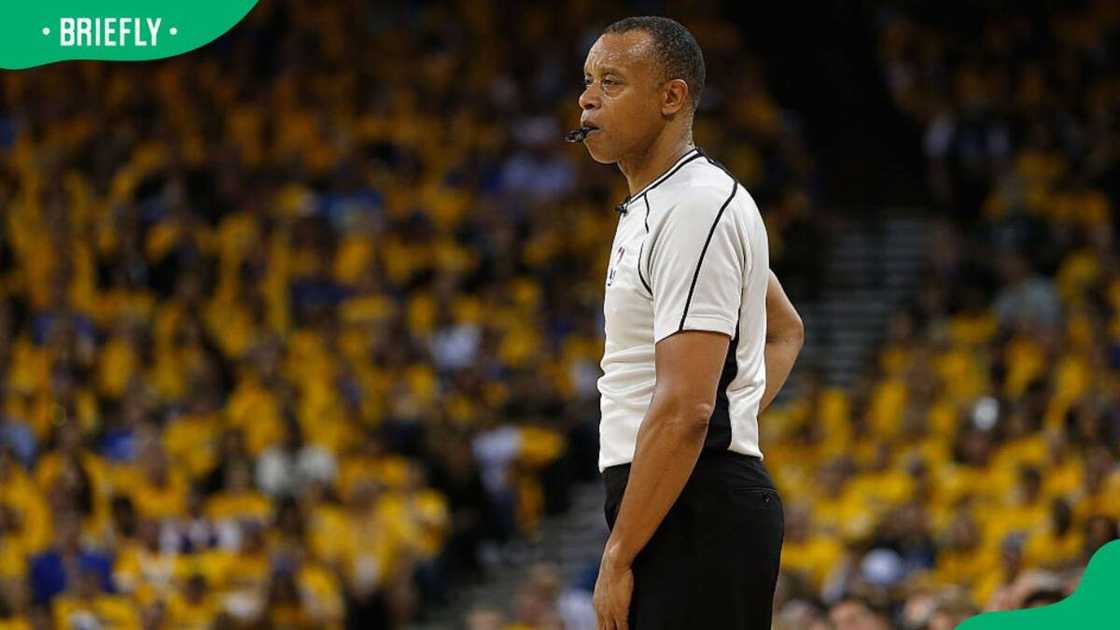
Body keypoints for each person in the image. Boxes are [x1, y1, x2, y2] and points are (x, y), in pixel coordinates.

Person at [575, 16, 804, 630]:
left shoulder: (696, 203)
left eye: (612, 82)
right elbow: (783, 328)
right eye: (588, 80)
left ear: (671, 98)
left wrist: (618, 556)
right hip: (675, 491)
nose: (587, 98)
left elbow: (685, 408)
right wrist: (738, 410)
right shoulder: (658, 204)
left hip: (695, 503)